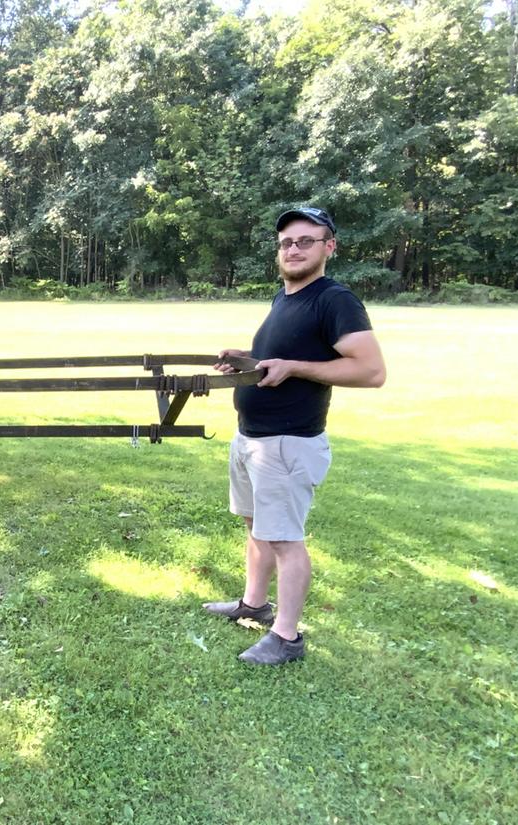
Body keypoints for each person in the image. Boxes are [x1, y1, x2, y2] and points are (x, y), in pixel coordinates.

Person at [206, 206, 386, 665]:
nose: (293, 249)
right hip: (253, 437)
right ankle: (254, 604)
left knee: (285, 539)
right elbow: (281, 359)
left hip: (288, 441)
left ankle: (286, 638)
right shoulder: (285, 297)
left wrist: (293, 367)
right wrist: (248, 358)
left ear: (330, 246)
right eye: (286, 242)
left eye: (306, 240)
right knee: (256, 526)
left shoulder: (334, 299)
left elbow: (370, 370)